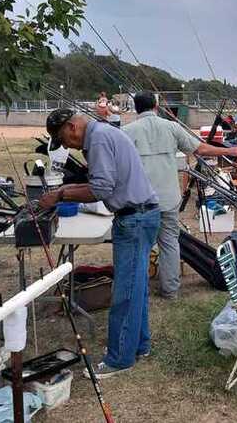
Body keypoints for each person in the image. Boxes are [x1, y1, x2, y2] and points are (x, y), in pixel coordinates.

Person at [40, 109, 160, 379]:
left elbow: (101, 188)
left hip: (134, 219)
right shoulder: (104, 133)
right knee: (136, 287)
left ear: (72, 127)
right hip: (143, 215)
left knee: (125, 292)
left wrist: (60, 195)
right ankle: (139, 345)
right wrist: (65, 190)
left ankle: (120, 359)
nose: (68, 146)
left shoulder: (98, 139)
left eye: (63, 140)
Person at [122, 92, 237, 299]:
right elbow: (200, 149)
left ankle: (138, 291)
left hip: (140, 201)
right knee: (170, 243)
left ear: (136, 108)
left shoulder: (126, 132)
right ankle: (170, 289)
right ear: (156, 106)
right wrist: (230, 151)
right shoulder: (172, 127)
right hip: (168, 199)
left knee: (140, 246)